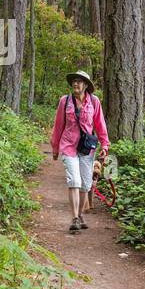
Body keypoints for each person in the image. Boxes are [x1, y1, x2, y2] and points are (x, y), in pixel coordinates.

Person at [50, 70, 109, 232]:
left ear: (86, 85)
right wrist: (55, 147)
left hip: (86, 148)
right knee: (74, 180)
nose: (76, 84)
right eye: (74, 81)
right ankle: (75, 218)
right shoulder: (65, 101)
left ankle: (81, 215)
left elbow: (100, 124)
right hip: (68, 146)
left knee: (86, 184)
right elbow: (58, 126)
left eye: (80, 81)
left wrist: (105, 145)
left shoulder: (94, 102)